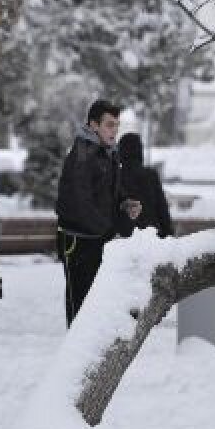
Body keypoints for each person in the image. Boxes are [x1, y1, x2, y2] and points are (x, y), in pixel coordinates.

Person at [55, 99, 141, 326]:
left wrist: (125, 203)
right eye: (109, 125)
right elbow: (80, 201)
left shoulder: (107, 152)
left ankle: (95, 357)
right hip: (78, 239)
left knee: (97, 303)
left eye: (117, 125)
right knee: (81, 306)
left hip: (97, 237)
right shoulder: (83, 154)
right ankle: (77, 358)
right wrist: (109, 231)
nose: (114, 131)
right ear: (93, 125)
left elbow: (107, 192)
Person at [116, 133, 173, 238]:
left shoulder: (116, 177)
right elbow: (162, 209)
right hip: (153, 237)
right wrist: (169, 235)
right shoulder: (151, 175)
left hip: (125, 240)